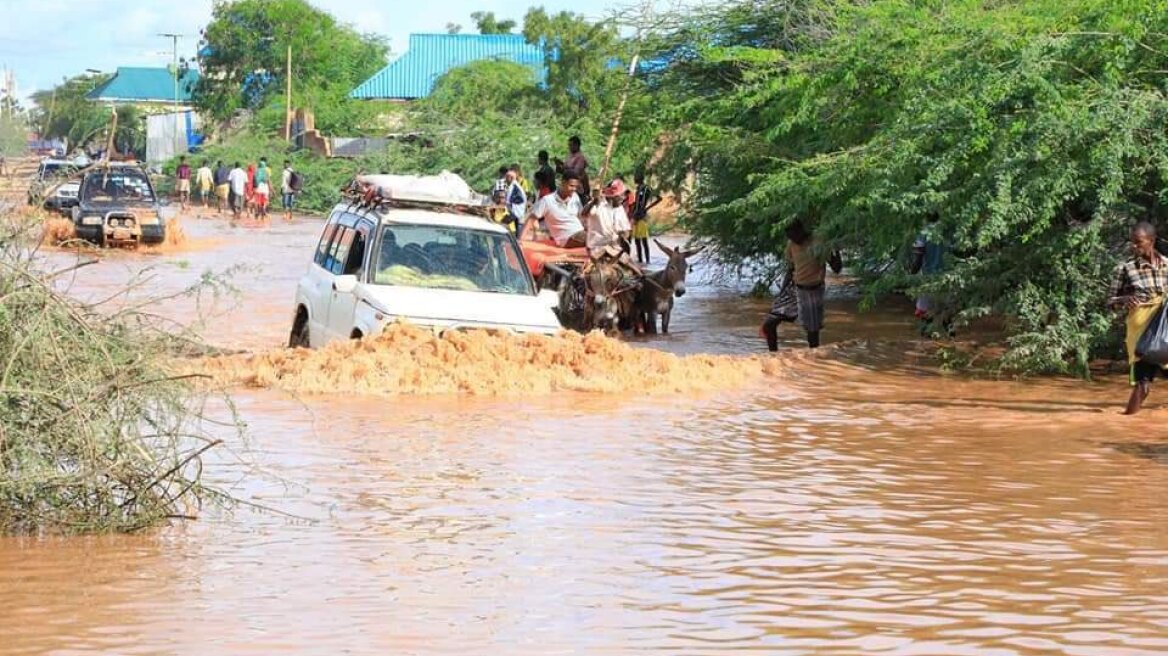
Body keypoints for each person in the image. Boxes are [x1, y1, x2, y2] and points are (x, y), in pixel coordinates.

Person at [1108, 222, 1168, 415]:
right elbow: (1110, 302)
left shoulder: (1167, 264)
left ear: (1152, 241)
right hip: (1141, 332)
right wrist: (1124, 299)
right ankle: (1127, 421)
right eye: (1132, 242)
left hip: (1165, 329)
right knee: (1142, 384)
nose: (1134, 246)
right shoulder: (1125, 269)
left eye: (1138, 242)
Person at [785, 220, 842, 349]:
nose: (793, 240)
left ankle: (814, 354)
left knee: (813, 328)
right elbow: (791, 268)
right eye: (790, 238)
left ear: (802, 232)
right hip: (800, 288)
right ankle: (814, 354)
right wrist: (784, 291)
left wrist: (836, 250)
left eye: (794, 237)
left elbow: (836, 268)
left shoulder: (818, 242)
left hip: (814, 288)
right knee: (808, 326)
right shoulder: (791, 244)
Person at [526, 171, 586, 248]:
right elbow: (531, 219)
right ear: (563, 183)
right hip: (567, 238)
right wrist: (521, 240)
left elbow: (582, 217)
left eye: (576, 187)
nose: (574, 189)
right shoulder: (547, 200)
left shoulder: (575, 197)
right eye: (571, 186)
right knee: (593, 239)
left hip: (580, 233)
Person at [584, 179, 630, 257]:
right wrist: (593, 202)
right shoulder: (598, 204)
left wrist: (624, 236)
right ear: (614, 196)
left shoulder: (620, 208)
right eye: (621, 195)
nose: (623, 198)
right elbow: (584, 213)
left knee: (632, 265)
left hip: (614, 248)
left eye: (624, 195)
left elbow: (625, 230)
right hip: (597, 248)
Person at [760, 264, 799, 352]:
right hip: (793, 285)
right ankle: (774, 354)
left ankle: (815, 353)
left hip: (806, 286)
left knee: (769, 323)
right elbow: (790, 270)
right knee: (769, 324)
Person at [631, 172, 661, 264]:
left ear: (640, 178)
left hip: (641, 217)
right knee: (637, 241)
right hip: (636, 216)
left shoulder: (646, 188)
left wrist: (647, 208)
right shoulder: (638, 189)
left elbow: (659, 198)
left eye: (636, 176)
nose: (634, 178)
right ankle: (640, 261)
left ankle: (648, 261)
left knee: (643, 240)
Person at [554, 136, 590, 204]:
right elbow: (565, 169)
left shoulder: (580, 157)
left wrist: (564, 168)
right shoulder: (569, 156)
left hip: (576, 188)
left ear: (577, 145)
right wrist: (559, 165)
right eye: (569, 145)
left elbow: (575, 173)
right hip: (566, 186)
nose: (569, 147)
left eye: (571, 145)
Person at [503, 166, 527, 236]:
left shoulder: (513, 187)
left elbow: (507, 202)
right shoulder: (515, 185)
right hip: (517, 211)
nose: (505, 179)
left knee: (501, 224)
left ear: (511, 178)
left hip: (516, 212)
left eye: (506, 177)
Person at [254, 157, 271, 221]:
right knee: (265, 201)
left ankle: (257, 213)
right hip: (265, 188)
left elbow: (254, 180)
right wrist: (271, 189)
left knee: (258, 202)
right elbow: (268, 180)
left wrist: (254, 188)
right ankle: (263, 213)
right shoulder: (266, 171)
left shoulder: (256, 171)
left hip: (258, 188)